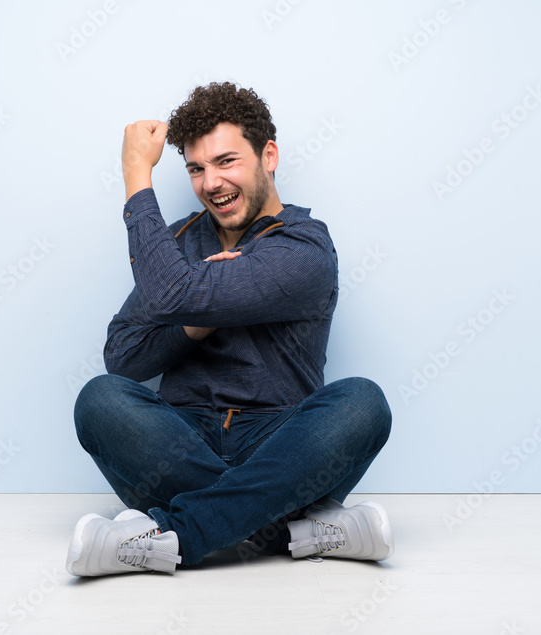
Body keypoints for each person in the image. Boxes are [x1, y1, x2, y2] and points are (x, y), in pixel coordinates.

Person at [66, 82, 393, 577]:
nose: (211, 183)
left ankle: (171, 535)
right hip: (183, 440)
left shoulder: (303, 247)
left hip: (280, 444)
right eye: (196, 169)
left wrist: (137, 176)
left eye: (226, 161)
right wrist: (195, 321)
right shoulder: (177, 243)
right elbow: (125, 358)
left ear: (268, 156)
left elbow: (169, 295)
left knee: (363, 402)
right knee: (100, 399)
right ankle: (295, 530)